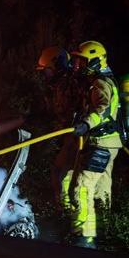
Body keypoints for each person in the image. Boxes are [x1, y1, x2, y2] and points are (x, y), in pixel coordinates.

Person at [60, 41, 123, 249]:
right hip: (110, 143)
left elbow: (103, 109)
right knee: (102, 188)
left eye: (82, 61)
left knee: (83, 187)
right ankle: (104, 233)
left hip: (100, 143)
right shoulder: (103, 80)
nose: (77, 65)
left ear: (95, 61)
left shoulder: (99, 83)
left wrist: (86, 124)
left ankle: (84, 236)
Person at [35, 46, 83, 209]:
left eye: (46, 70)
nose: (44, 75)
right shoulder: (59, 86)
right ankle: (63, 211)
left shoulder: (71, 83)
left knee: (65, 176)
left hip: (79, 139)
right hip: (70, 137)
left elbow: (68, 113)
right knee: (57, 171)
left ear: (57, 65)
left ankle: (69, 214)